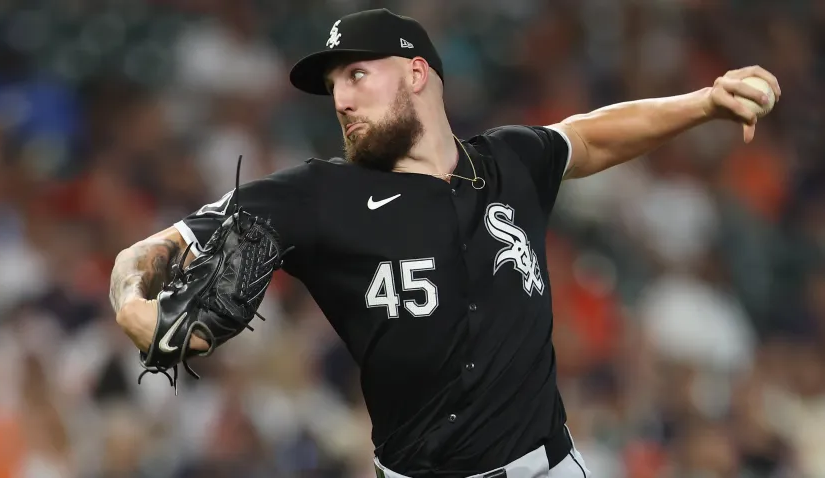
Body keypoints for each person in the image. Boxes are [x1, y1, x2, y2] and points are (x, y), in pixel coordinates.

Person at [110, 8, 781, 478]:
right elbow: (149, 252)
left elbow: (593, 133)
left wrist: (705, 103)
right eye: (333, 86)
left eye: (356, 75)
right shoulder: (313, 195)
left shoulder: (511, 162)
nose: (340, 98)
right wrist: (134, 303)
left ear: (416, 73)